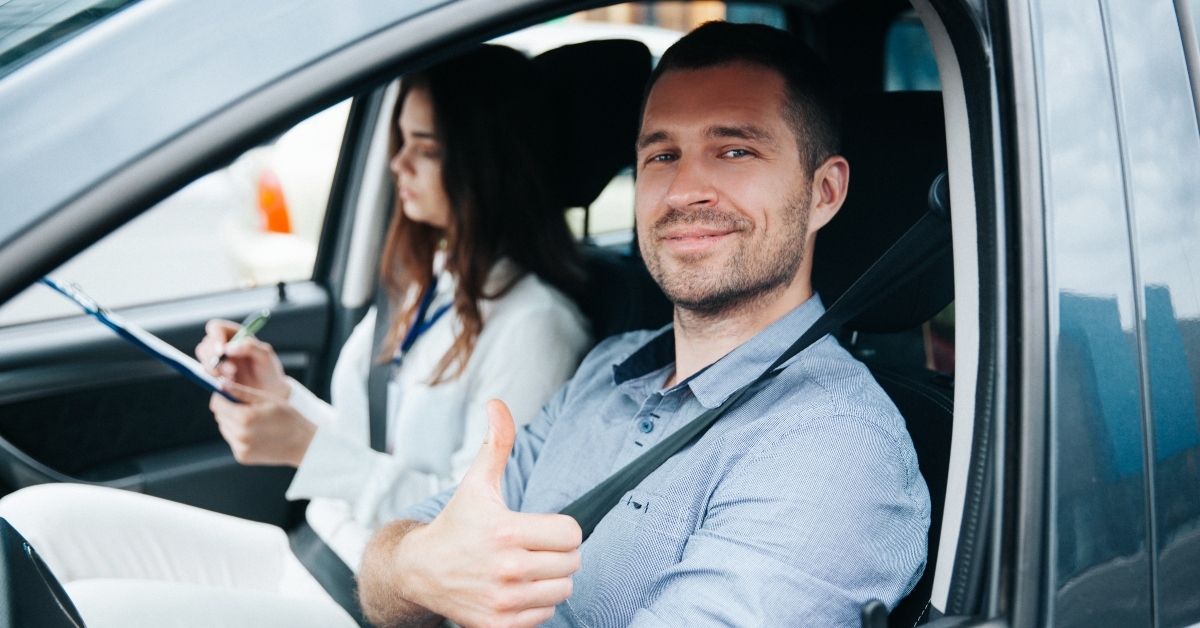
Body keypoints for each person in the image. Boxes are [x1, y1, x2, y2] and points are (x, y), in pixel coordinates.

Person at [357, 22, 931, 628]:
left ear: (824, 192)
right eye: (662, 155)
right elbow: (385, 572)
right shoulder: (606, 369)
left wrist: (428, 575)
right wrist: (417, 565)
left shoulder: (830, 445)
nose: (684, 190)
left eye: (734, 150)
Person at [0, 45, 592, 628]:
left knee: (91, 614)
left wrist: (306, 447)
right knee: (34, 519)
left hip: (372, 602)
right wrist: (281, 396)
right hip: (312, 551)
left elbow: (466, 526)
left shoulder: (536, 326)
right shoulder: (433, 284)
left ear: (487, 161)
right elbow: (371, 445)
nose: (397, 164)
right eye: (401, 142)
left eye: (425, 148)